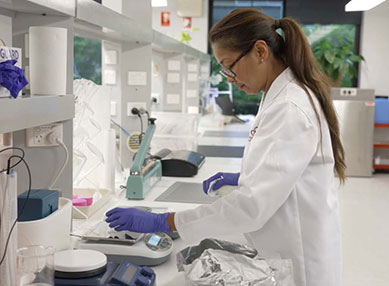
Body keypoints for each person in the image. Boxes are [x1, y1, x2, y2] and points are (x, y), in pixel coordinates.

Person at [105, 8, 345, 286]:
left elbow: (251, 207)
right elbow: (282, 173)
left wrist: (166, 221)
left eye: (230, 65)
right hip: (289, 241)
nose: (230, 77)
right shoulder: (281, 94)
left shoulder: (289, 106)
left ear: (260, 51)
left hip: (301, 261)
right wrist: (247, 178)